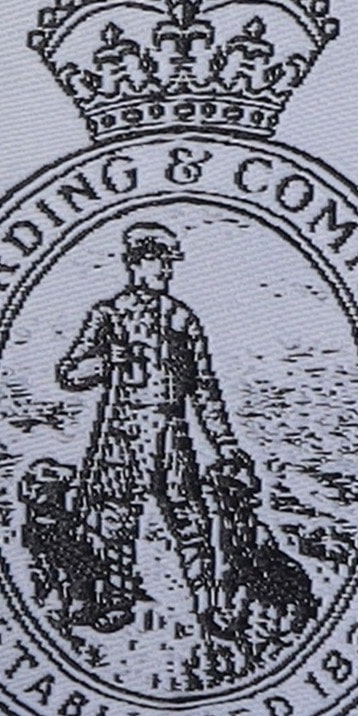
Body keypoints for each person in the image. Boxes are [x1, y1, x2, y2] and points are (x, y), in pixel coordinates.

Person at [55, 220, 249, 634]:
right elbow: (70, 373)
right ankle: (116, 600)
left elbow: (204, 388)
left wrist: (225, 443)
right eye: (158, 261)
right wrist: (105, 361)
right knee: (114, 519)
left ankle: (209, 606)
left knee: (192, 521)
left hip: (170, 433)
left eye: (168, 262)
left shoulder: (181, 319)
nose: (165, 270)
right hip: (123, 431)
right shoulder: (108, 315)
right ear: (136, 263)